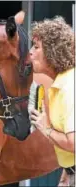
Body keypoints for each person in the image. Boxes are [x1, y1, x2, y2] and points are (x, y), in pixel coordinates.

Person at [29, 16, 75, 186]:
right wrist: (67, 173)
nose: (30, 53)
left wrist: (45, 129)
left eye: (36, 47)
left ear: (52, 51)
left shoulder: (70, 87)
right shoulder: (61, 84)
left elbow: (74, 143)